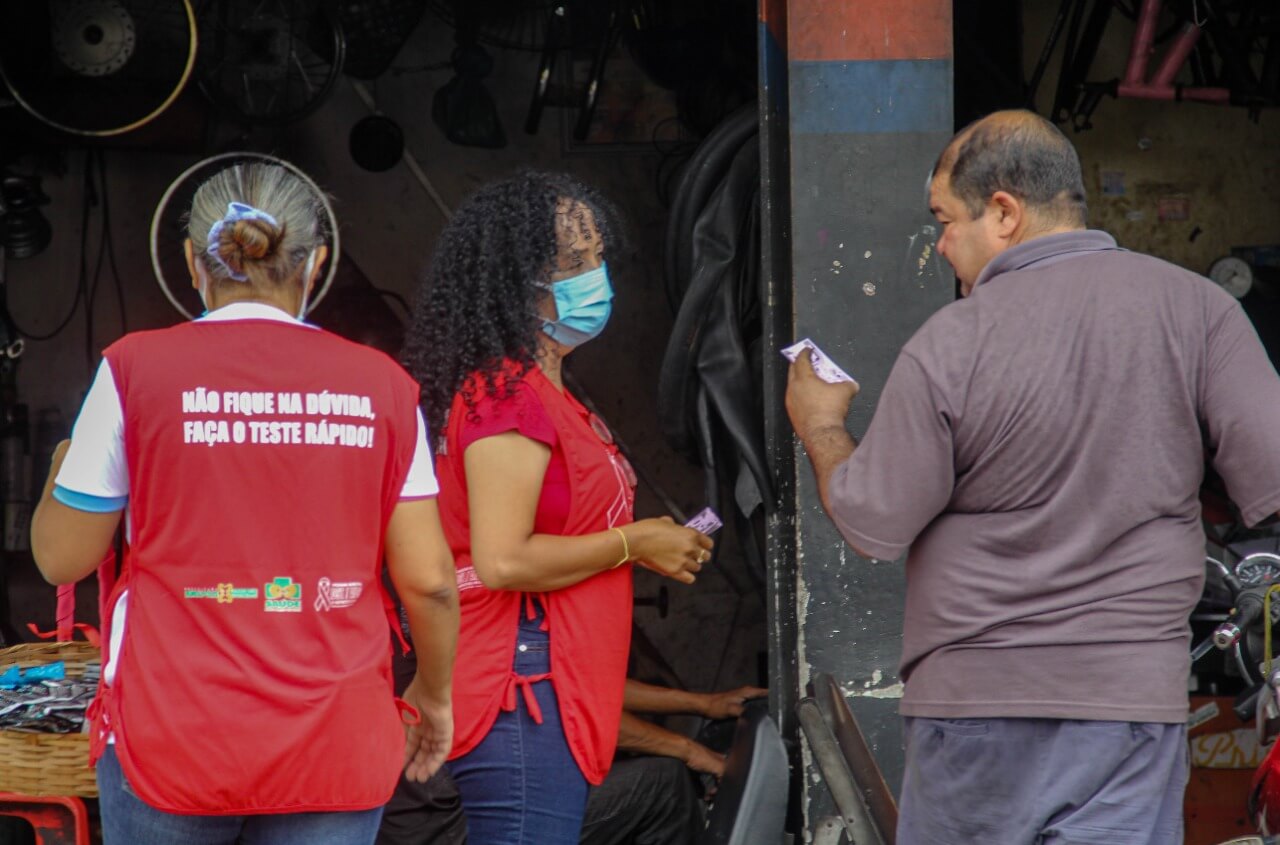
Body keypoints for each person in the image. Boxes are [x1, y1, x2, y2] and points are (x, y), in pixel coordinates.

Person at [784, 109, 1280, 845]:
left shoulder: (952, 343)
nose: (943, 246)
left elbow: (872, 521)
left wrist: (822, 426)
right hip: (1128, 713)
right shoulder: (1201, 311)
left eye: (946, 222)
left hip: (976, 717)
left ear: (1005, 212)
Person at [29, 162, 459, 844]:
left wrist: (63, 465)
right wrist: (433, 694)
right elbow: (431, 581)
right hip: (337, 737)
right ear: (316, 263)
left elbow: (61, 558)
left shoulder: (135, 368)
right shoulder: (385, 386)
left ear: (193, 263)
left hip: (174, 734)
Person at [401, 170, 715, 844]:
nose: (596, 276)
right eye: (574, 263)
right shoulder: (507, 393)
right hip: (521, 684)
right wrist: (636, 543)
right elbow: (504, 557)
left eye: (598, 256)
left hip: (549, 681)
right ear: (519, 282)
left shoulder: (550, 396)